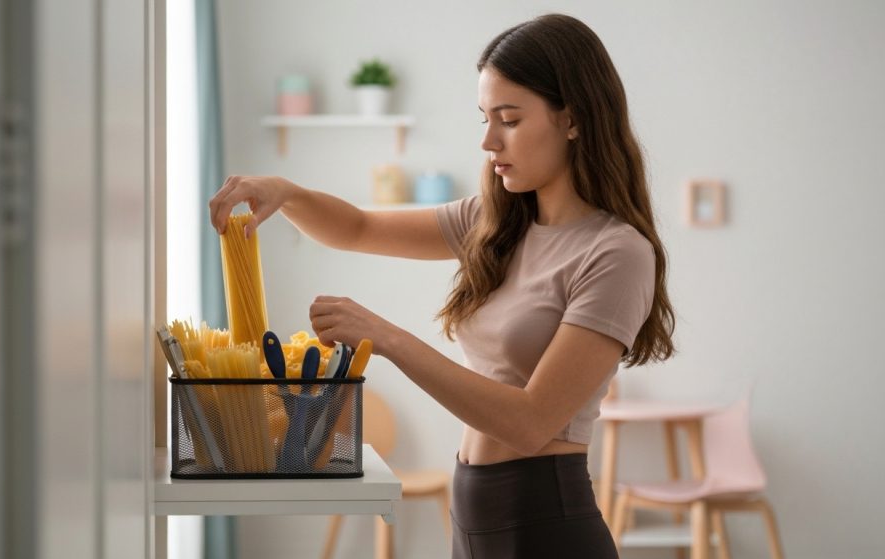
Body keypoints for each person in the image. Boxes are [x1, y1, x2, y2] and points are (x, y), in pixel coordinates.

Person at [209, 13, 675, 559]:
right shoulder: (495, 222)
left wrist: (388, 339)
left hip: (546, 523)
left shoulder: (616, 252)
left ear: (571, 119)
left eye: (509, 120)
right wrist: (286, 192)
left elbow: (531, 424)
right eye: (485, 118)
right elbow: (357, 228)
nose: (488, 141)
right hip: (474, 511)